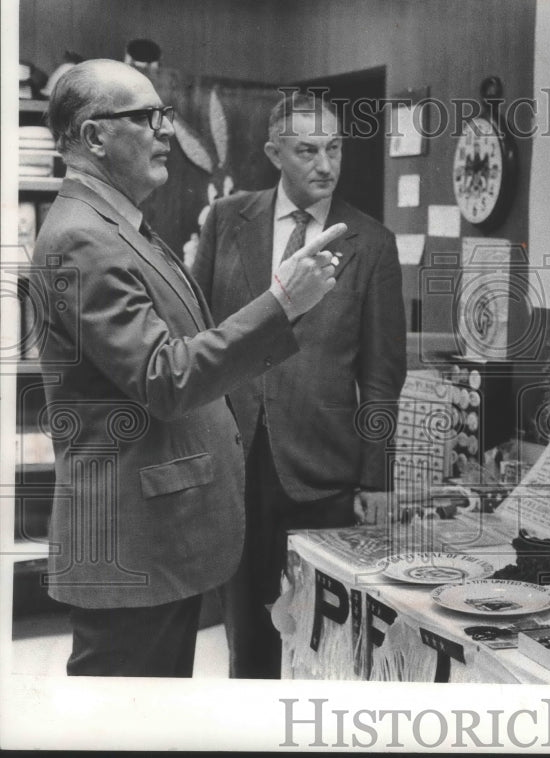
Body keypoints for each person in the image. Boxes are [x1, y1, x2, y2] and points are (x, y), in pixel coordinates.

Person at [32, 59, 346, 677]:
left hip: (154, 540)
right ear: (95, 137)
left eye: (166, 116)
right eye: (148, 118)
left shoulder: (119, 227)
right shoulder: (81, 238)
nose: (166, 131)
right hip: (130, 549)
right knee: (121, 722)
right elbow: (165, 378)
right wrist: (281, 302)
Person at [192, 90, 406, 678]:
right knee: (249, 638)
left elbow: (383, 375)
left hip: (324, 470)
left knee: (326, 640)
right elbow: (199, 334)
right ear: (273, 153)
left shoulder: (372, 243)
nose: (326, 164)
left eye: (334, 148)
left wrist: (378, 478)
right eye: (307, 150)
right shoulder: (227, 221)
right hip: (236, 460)